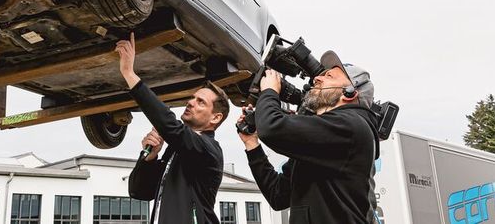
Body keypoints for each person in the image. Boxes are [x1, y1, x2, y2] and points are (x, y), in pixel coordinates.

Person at [237, 50, 380, 224]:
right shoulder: (324, 143)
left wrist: (269, 91)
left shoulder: (351, 126)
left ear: (349, 92)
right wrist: (252, 144)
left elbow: (271, 128)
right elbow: (278, 195)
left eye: (329, 76)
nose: (317, 78)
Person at [116, 33, 229, 224]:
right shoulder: (176, 150)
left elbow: (171, 127)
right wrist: (149, 158)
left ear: (215, 117)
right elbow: (139, 191)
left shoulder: (208, 149)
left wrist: (130, 74)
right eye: (192, 98)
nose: (191, 102)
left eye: (200, 102)